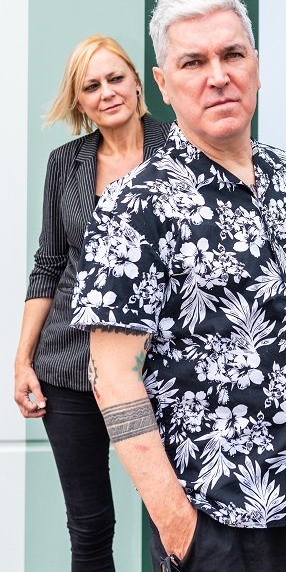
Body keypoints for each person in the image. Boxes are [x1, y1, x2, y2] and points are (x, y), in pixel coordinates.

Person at [70, 0, 286, 572]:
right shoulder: (136, 206)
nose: (218, 76)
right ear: (163, 85)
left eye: (232, 55)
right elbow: (112, 375)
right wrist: (178, 525)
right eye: (193, 62)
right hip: (220, 520)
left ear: (256, 65)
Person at [14, 35, 173, 571]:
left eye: (115, 78)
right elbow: (48, 264)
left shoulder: (182, 150)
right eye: (91, 86)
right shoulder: (66, 163)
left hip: (162, 366)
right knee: (89, 527)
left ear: (138, 82)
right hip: (69, 365)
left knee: (177, 520)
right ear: (79, 101)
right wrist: (22, 361)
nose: (107, 92)